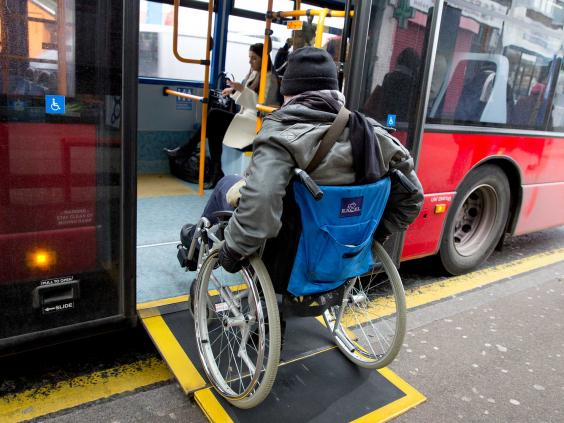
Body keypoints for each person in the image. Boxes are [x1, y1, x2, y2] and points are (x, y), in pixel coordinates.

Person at [180, 47, 423, 288]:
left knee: (226, 184)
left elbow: (261, 204)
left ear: (290, 93)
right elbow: (412, 197)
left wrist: (232, 252)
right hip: (344, 254)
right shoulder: (376, 136)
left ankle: (194, 245)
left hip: (289, 259)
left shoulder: (281, 135)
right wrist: (372, 235)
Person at [166, 43, 280, 188]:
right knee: (214, 130)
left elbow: (261, 106)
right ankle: (215, 172)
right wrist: (233, 91)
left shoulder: (270, 79)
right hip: (245, 119)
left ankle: (187, 150)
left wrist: (241, 89)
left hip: (255, 124)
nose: (250, 62)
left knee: (214, 115)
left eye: (254, 58)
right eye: (249, 58)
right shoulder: (253, 73)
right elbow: (246, 97)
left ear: (264, 60)